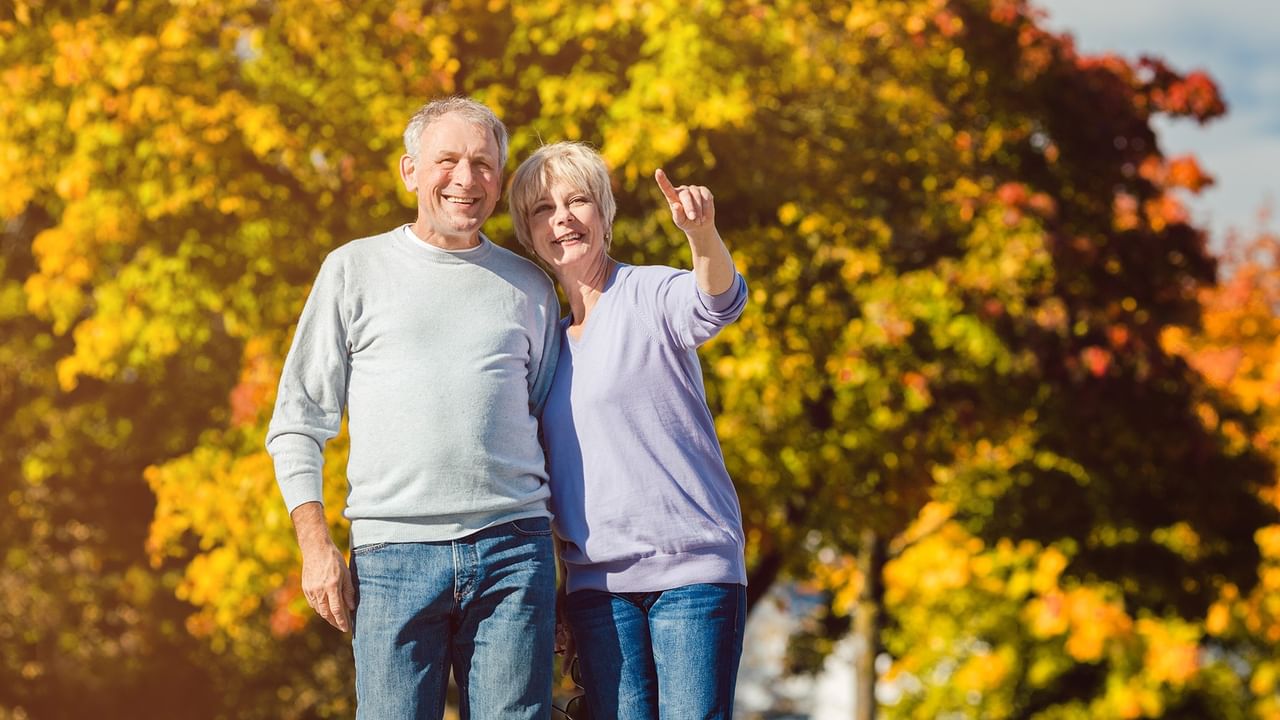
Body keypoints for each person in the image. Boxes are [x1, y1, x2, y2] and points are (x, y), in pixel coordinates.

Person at [266, 97, 561, 719]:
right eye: (447, 160)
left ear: (499, 179)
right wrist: (316, 547)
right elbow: (298, 421)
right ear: (409, 171)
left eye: (483, 164)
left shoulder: (529, 286)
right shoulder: (353, 270)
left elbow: (550, 426)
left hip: (514, 551)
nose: (466, 179)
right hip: (391, 556)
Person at [509, 142, 749, 719]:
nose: (562, 218)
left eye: (577, 201)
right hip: (596, 593)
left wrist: (702, 236)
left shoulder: (648, 293)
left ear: (605, 214)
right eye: (543, 209)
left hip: (692, 575)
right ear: (528, 233)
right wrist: (563, 592)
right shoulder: (542, 347)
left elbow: (716, 301)